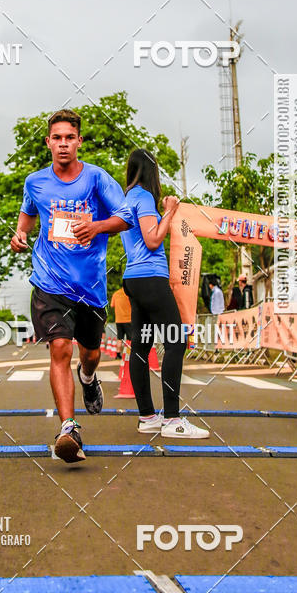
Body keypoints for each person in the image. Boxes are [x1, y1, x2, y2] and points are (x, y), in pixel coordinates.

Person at [10, 109, 132, 463]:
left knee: (89, 352)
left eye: (70, 137)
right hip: (49, 282)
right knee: (59, 348)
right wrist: (19, 238)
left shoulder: (96, 179)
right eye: (57, 138)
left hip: (89, 285)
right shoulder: (35, 182)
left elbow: (125, 216)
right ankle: (68, 428)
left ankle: (89, 376)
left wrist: (96, 227)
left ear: (79, 141)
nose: (63, 144)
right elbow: (26, 223)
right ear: (48, 142)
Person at [120, 149, 209, 439]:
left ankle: (147, 417)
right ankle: (172, 419)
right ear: (152, 172)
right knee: (176, 342)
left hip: (134, 278)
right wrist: (169, 210)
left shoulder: (126, 199)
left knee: (142, 346)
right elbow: (153, 238)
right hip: (150, 278)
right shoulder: (144, 198)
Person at [110, 286, 132, 358]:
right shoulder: (129, 294)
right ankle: (129, 354)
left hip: (118, 320)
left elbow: (112, 305)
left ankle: (118, 354)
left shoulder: (116, 294)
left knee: (120, 338)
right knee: (130, 339)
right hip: (128, 319)